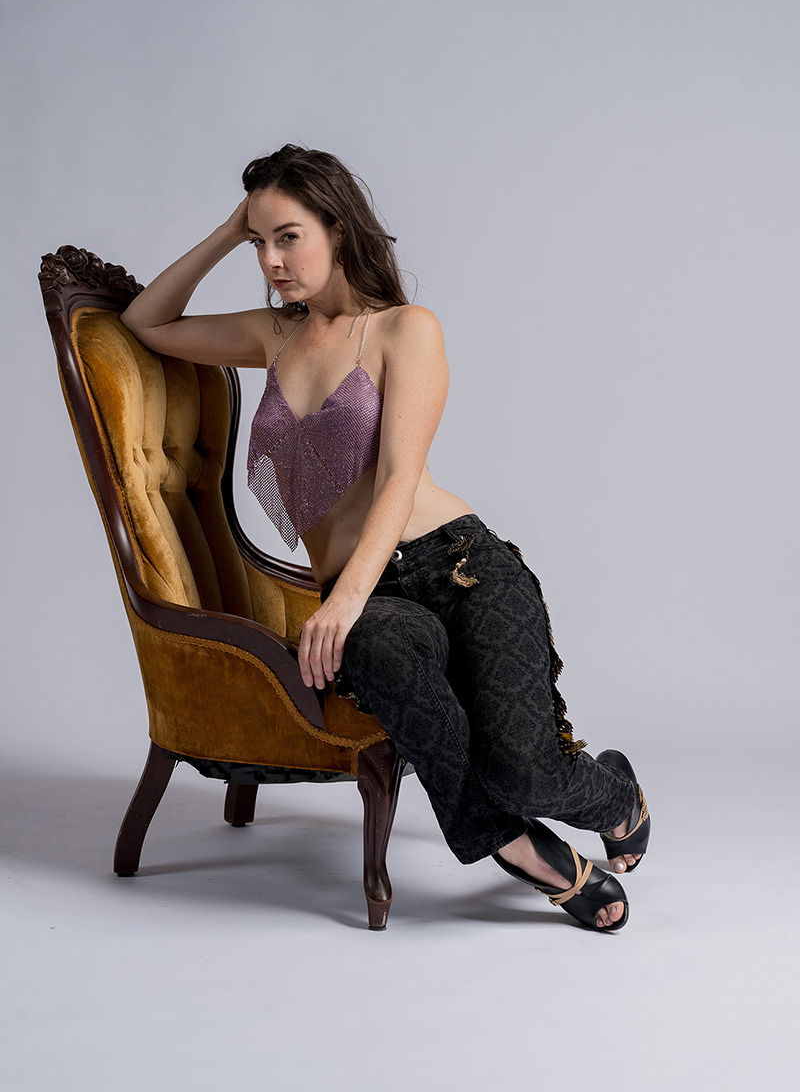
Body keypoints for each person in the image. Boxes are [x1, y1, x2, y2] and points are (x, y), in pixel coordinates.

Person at [121, 144, 650, 932]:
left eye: (287, 236)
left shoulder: (406, 329)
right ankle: (520, 851)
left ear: (339, 227)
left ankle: (616, 795)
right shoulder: (273, 336)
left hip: (460, 566)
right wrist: (231, 228)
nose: (271, 260)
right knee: (373, 651)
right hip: (366, 594)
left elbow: (401, 477)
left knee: (526, 767)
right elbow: (145, 323)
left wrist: (339, 605)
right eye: (260, 243)